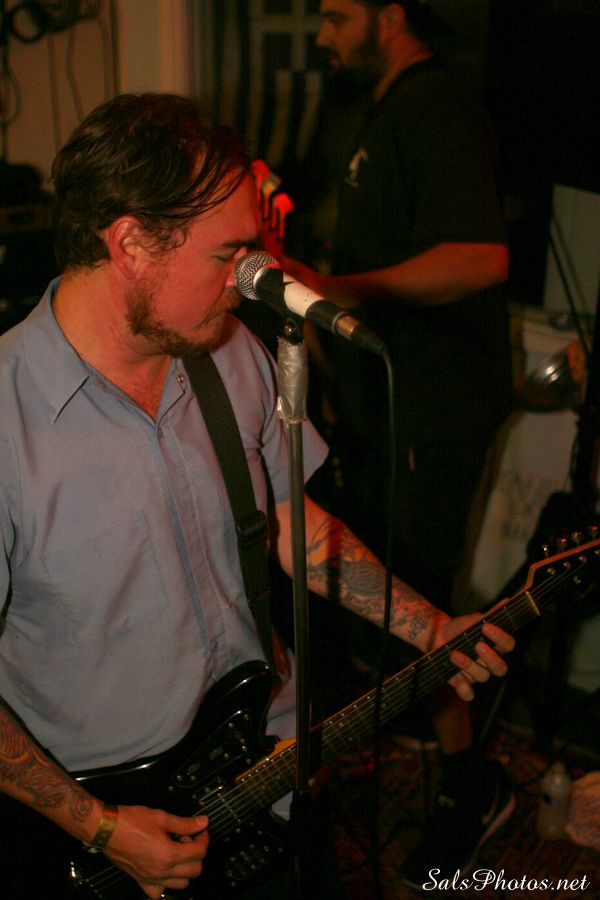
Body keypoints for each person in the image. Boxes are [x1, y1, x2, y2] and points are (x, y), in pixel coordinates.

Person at [0, 92, 514, 900]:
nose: (254, 278)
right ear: (130, 243)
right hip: (106, 829)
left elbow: (287, 524)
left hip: (265, 771)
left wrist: (430, 627)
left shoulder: (228, 351)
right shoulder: (8, 419)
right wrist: (98, 826)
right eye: (229, 255)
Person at [277, 0, 516, 888]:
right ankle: (423, 743)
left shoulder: (435, 105)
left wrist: (341, 288)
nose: (323, 35)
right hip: (392, 408)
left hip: (434, 405)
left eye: (338, 15)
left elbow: (482, 258)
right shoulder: (383, 112)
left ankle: (470, 787)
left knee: (418, 599)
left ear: (392, 13)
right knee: (382, 590)